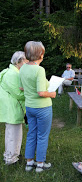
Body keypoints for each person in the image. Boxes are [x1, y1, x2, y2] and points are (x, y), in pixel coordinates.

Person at [19, 41, 56, 172]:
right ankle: (40, 164)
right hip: (42, 108)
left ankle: (29, 162)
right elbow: (41, 92)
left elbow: (21, 87)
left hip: (29, 107)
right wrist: (52, 94)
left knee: (31, 133)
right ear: (40, 54)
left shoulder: (23, 67)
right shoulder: (39, 70)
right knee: (42, 135)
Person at [0, 51, 28, 165]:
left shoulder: (13, 72)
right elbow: (18, 94)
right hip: (12, 109)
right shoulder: (12, 74)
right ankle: (10, 159)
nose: (27, 64)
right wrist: (30, 92)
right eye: (25, 61)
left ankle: (12, 155)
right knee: (13, 134)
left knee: (14, 133)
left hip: (13, 108)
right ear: (19, 61)